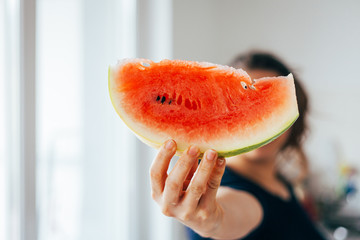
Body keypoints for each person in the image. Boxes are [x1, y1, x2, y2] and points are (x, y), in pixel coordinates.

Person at [149, 51, 327, 240]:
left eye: (268, 108)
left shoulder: (280, 181)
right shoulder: (220, 188)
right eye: (241, 106)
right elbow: (230, 212)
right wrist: (214, 222)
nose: (258, 124)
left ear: (291, 119)